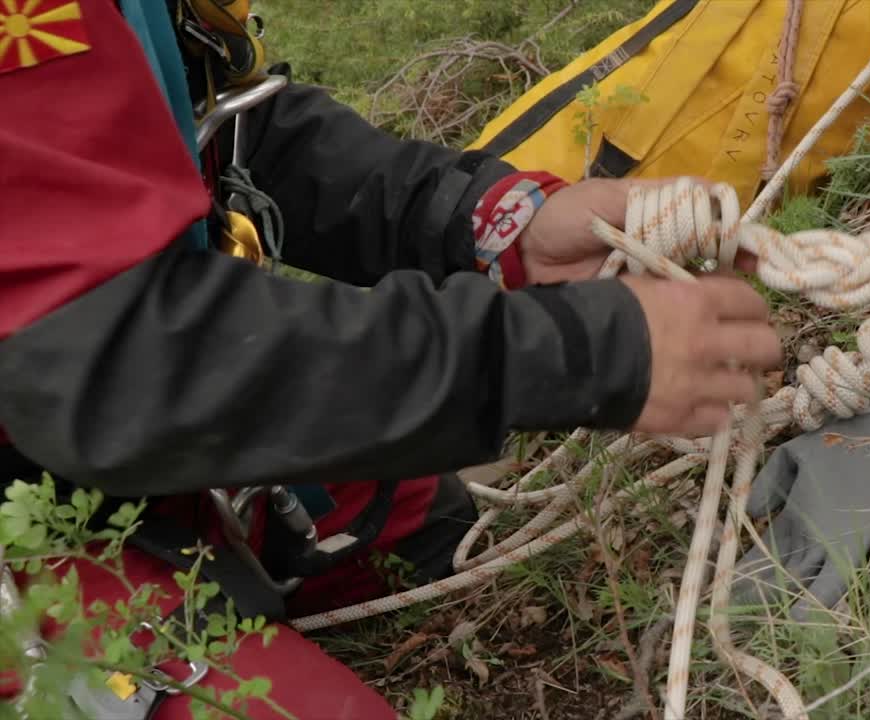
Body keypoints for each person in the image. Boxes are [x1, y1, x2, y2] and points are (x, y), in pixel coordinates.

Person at [0, 1, 781, 717]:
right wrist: (569, 354)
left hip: (107, 420)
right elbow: (114, 361)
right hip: (55, 468)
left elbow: (221, 129)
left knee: (424, 526)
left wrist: (492, 222)